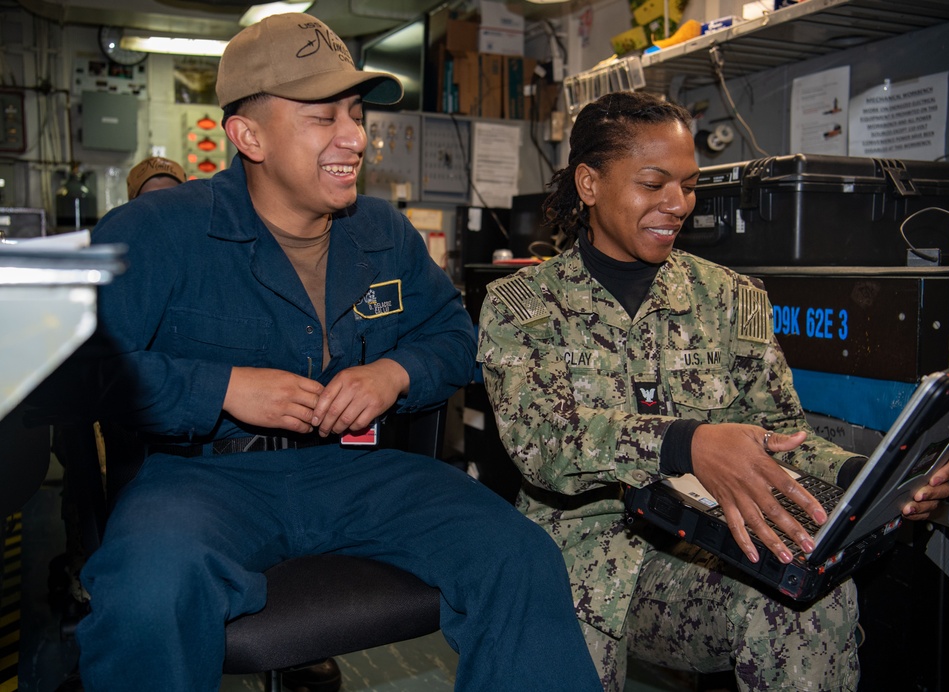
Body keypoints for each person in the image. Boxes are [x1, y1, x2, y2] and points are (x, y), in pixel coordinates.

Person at [74, 13, 601, 692]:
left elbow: (455, 338)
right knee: (146, 591)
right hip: (206, 485)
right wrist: (221, 387)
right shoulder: (160, 231)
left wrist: (396, 372)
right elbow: (66, 367)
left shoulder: (382, 232)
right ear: (248, 135)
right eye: (323, 117)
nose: (355, 136)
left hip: (356, 473)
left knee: (521, 557)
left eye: (355, 113)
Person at [476, 91, 949, 691]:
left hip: (698, 552)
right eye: (653, 184)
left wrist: (869, 479)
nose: (677, 204)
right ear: (589, 183)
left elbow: (783, 437)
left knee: (810, 604)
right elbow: (542, 447)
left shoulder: (731, 298)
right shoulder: (522, 307)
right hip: (571, 563)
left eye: (688, 185)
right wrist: (687, 444)